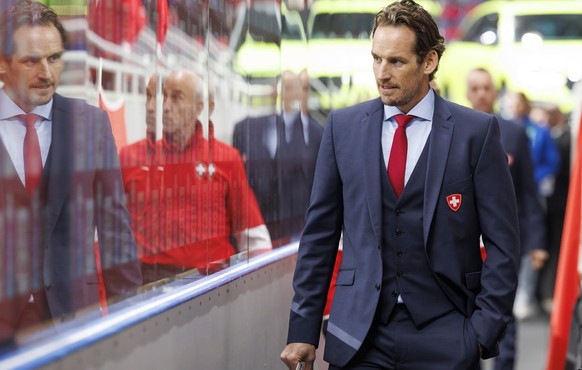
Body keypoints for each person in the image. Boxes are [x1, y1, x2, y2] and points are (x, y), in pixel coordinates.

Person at [280, 1, 520, 369]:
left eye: (396, 61)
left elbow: (504, 244)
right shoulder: (342, 128)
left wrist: (482, 332)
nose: (382, 73)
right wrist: (302, 329)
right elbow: (319, 237)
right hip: (360, 336)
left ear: (429, 62)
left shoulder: (476, 133)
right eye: (376, 59)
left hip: (448, 333)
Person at [0, 0, 142, 344]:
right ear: (3, 64)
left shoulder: (91, 125)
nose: (46, 73)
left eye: (53, 58)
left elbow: (115, 231)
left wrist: (133, 322)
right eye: (31, 60)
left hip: (75, 322)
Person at [122, 69, 271, 283]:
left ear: (199, 107)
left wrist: (263, 288)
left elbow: (253, 235)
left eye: (177, 98)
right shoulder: (132, 159)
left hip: (212, 285)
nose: (165, 106)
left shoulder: (226, 159)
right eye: (164, 96)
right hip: (150, 285)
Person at [466, 67, 548, 370]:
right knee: (465, 317)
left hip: (503, 242)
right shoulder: (452, 131)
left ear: (495, 92)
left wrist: (537, 242)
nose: (481, 94)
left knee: (505, 311)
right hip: (464, 245)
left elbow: (528, 190)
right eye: (475, 89)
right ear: (467, 93)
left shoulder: (513, 133)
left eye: (486, 88)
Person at [233, 70, 323, 246]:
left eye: (292, 88)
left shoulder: (317, 134)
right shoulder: (251, 128)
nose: (285, 94)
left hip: (297, 227)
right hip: (260, 225)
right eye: (282, 88)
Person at [505, 91, 559, 319]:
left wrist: (533, 176)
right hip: (507, 194)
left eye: (518, 103)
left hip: (530, 193)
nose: (515, 107)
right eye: (511, 103)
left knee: (532, 245)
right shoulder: (499, 127)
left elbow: (552, 161)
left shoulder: (538, 131)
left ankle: (524, 294)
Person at [537, 104, 571, 313]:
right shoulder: (546, 136)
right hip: (550, 202)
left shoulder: (563, 139)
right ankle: (545, 292)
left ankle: (549, 292)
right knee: (549, 246)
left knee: (555, 246)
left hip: (558, 203)